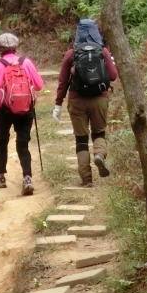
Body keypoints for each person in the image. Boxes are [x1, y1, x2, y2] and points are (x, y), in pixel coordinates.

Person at [53, 18, 117, 186]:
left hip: (77, 99)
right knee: (98, 133)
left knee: (81, 139)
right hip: (99, 99)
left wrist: (58, 104)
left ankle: (86, 178)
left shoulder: (71, 53)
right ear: (96, 31)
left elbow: (62, 81)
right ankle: (99, 154)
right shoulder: (103, 51)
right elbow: (113, 76)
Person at [0, 33, 44, 195]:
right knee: (23, 143)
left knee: (2, 141)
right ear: (15, 47)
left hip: (4, 110)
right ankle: (27, 178)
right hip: (26, 109)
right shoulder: (26, 63)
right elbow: (39, 85)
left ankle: (0, 177)